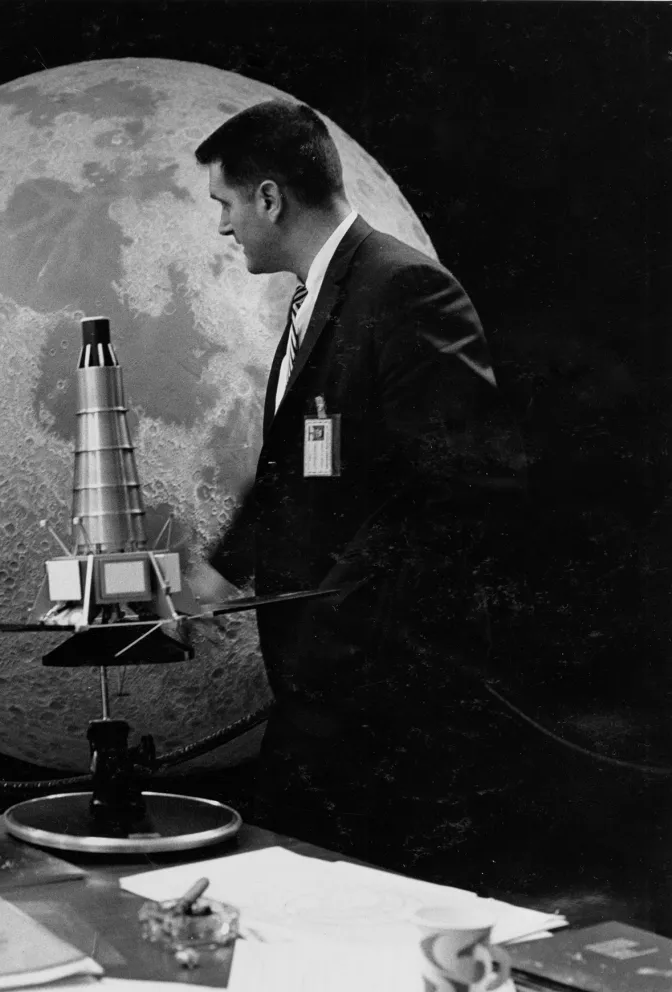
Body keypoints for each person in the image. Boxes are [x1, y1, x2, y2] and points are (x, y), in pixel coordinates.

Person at [192, 101, 526, 879]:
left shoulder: (405, 290)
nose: (222, 226)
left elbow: (462, 490)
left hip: (380, 688)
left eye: (225, 204)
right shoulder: (323, 294)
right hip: (326, 680)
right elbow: (298, 467)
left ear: (270, 198)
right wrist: (221, 570)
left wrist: (341, 612)